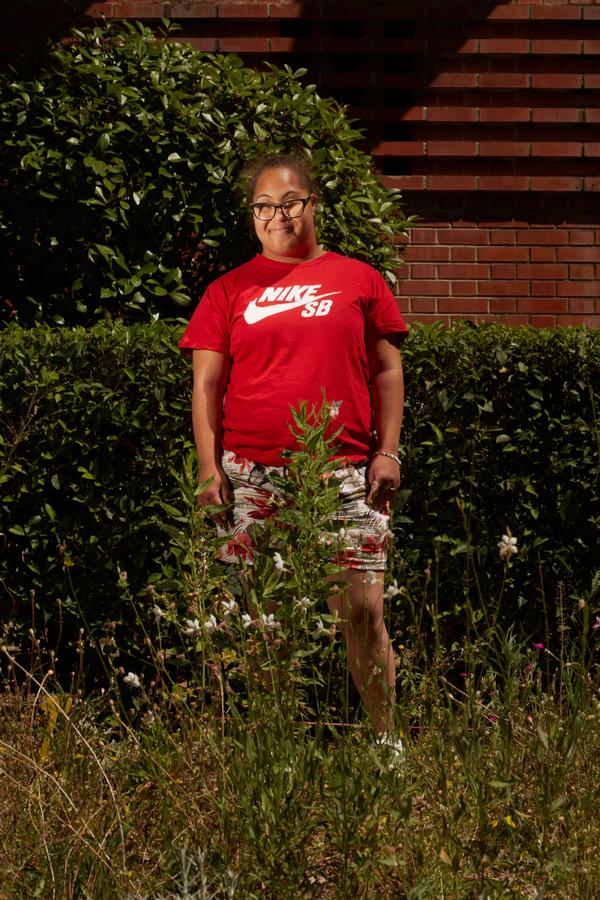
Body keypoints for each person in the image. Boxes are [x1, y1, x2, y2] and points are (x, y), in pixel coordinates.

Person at [179, 153, 408, 753]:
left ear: (312, 204)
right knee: (265, 622)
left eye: (288, 203)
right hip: (251, 477)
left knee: (363, 614)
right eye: (263, 207)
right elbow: (206, 385)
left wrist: (389, 451)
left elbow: (387, 370)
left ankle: (387, 748)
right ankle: (277, 749)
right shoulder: (228, 290)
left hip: (344, 475)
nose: (276, 216)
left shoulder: (359, 280)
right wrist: (208, 468)